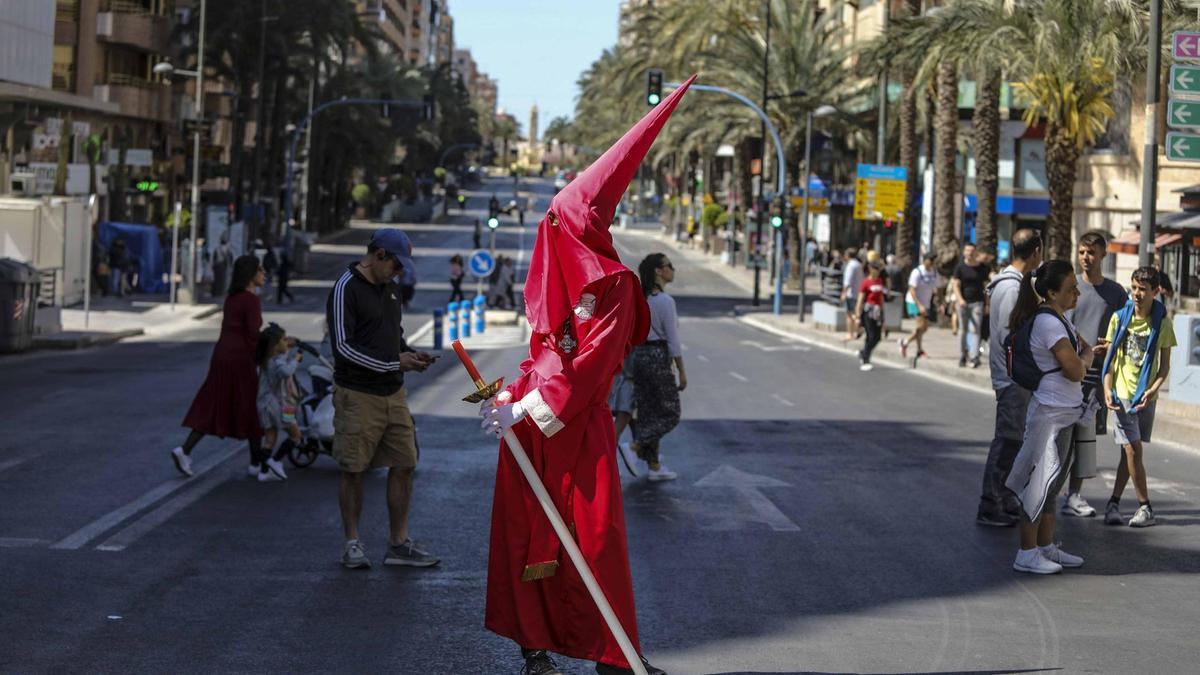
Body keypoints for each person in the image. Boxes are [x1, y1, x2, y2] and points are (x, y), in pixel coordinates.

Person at [476, 74, 696, 675]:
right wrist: (509, 395)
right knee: (529, 537)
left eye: (558, 222)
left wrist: (527, 406)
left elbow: (592, 362)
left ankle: (614, 654)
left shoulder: (617, 285)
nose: (551, 232)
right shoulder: (566, 279)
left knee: (595, 542)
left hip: (577, 432)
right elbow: (545, 350)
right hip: (538, 428)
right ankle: (534, 645)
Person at [327, 228, 439, 570]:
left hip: (394, 392)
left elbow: (393, 334)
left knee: (405, 463)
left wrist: (408, 354)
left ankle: (398, 543)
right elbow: (344, 348)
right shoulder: (346, 288)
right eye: (395, 264)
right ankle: (352, 543)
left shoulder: (391, 288)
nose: (400, 272)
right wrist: (394, 362)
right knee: (354, 469)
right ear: (378, 256)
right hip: (358, 394)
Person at [1005, 260, 1097, 574]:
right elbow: (1074, 370)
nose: (1077, 293)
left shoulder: (1060, 318)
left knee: (1052, 486)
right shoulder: (1049, 324)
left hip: (1064, 413)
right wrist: (1087, 357)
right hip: (1050, 415)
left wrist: (1083, 354)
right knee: (1037, 484)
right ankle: (1026, 553)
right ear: (1052, 292)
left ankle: (1044, 547)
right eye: (1071, 288)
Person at [171, 256, 267, 477]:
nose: (264, 274)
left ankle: (185, 450)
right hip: (241, 359)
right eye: (260, 270)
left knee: (214, 404)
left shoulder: (232, 298)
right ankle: (255, 463)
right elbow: (253, 334)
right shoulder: (251, 300)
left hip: (222, 355)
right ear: (251, 274)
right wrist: (264, 354)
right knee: (250, 406)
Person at [977, 228, 1043, 526]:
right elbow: (1009, 335)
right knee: (1007, 440)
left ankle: (1003, 497)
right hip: (1012, 378)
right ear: (1037, 252)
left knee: (1014, 441)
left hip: (1014, 376)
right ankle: (990, 504)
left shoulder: (1014, 284)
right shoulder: (1013, 288)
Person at [1101, 266, 1176, 528]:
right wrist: (1107, 388)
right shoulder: (1119, 318)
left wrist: (1151, 391)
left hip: (1146, 397)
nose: (1137, 294)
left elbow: (1164, 367)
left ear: (1156, 292)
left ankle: (1113, 503)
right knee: (1133, 449)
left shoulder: (1162, 323)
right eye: (1133, 288)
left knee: (1129, 454)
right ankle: (1146, 507)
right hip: (1122, 395)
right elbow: (1109, 361)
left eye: (1143, 289)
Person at [1060, 232, 1127, 518]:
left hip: (1098, 377)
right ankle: (1047, 490)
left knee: (1085, 438)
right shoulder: (1068, 285)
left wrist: (1111, 346)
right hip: (1067, 371)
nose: (1086, 258)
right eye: (1082, 252)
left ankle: (1074, 495)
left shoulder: (1116, 292)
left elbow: (1124, 329)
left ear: (1103, 255)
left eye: (1091, 252)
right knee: (1061, 436)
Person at [629, 253, 685, 480]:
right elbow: (673, 340)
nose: (673, 269)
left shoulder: (641, 298)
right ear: (659, 271)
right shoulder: (664, 301)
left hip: (638, 356)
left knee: (649, 411)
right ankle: (634, 445)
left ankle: (653, 467)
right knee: (671, 412)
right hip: (657, 356)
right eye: (669, 266)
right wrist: (681, 370)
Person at [254, 323, 303, 482]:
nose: (286, 341)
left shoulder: (267, 359)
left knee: (270, 438)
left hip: (265, 404)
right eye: (283, 339)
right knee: (296, 435)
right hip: (283, 406)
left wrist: (287, 347)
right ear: (275, 345)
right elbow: (285, 371)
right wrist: (296, 360)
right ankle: (275, 461)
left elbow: (281, 358)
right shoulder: (276, 361)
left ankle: (263, 472)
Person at [951, 242, 989, 368]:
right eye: (967, 250)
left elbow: (986, 287)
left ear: (975, 252)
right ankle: (963, 355)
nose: (970, 253)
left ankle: (974, 357)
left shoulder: (982, 268)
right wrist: (960, 299)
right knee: (963, 330)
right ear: (964, 252)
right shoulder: (960, 267)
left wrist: (987, 304)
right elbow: (955, 285)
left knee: (975, 330)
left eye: (972, 250)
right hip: (963, 303)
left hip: (977, 302)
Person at [900, 254, 939, 364]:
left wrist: (940, 302)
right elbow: (912, 290)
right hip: (914, 302)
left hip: (926, 303)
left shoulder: (934, 273)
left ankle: (916, 348)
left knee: (923, 328)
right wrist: (919, 305)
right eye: (929, 260)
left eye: (933, 261)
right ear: (924, 260)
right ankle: (906, 343)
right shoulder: (917, 272)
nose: (931, 263)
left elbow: (937, 288)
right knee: (920, 326)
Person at [608, 353, 640, 477]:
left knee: (630, 419)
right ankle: (611, 463)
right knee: (622, 421)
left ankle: (649, 460)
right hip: (627, 381)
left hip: (616, 378)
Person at [855, 260, 889, 372]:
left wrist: (883, 314)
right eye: (876, 270)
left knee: (877, 337)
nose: (878, 272)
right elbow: (860, 300)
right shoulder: (866, 283)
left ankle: (864, 352)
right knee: (871, 335)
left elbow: (881, 298)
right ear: (871, 270)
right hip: (868, 311)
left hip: (878, 311)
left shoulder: (879, 281)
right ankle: (865, 358)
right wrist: (858, 315)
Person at [840, 248, 864, 340]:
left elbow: (847, 281)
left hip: (851, 294)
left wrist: (844, 293)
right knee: (855, 313)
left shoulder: (850, 266)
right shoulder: (858, 265)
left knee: (849, 315)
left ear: (847, 255)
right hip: (858, 293)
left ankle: (851, 333)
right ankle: (857, 329)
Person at [276, 229, 295, 305]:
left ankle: (286, 298)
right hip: (283, 277)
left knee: (282, 289)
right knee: (281, 289)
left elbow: (282, 270)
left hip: (283, 277)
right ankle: (279, 299)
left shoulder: (283, 263)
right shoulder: (285, 263)